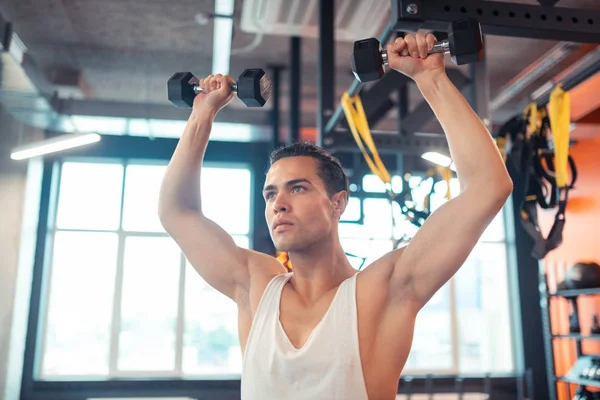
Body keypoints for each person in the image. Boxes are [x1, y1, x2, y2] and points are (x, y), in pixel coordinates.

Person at [158, 33, 513, 400]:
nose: (278, 203)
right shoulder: (256, 286)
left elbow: (488, 186)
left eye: (297, 188)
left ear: (338, 203)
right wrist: (203, 112)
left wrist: (432, 78)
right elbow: (176, 211)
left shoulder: (383, 290)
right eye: (270, 193)